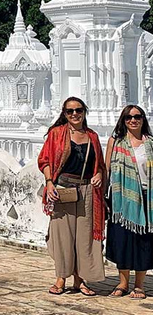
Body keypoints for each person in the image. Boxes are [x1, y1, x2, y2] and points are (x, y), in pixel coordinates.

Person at [37, 97, 106, 296]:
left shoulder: (92, 136)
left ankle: (80, 280)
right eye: (70, 111)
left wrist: (99, 174)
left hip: (86, 191)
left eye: (78, 110)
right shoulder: (56, 134)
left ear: (84, 111)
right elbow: (45, 160)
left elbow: (99, 164)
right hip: (62, 190)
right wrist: (50, 183)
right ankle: (61, 278)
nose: (75, 114)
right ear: (64, 114)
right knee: (63, 236)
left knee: (84, 238)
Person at [105, 105, 153, 299]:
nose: (133, 120)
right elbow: (107, 168)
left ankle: (139, 285)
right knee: (122, 240)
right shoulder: (115, 142)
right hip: (122, 199)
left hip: (146, 198)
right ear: (123, 120)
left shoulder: (150, 143)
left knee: (143, 241)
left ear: (143, 119)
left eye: (137, 116)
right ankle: (123, 283)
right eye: (128, 117)